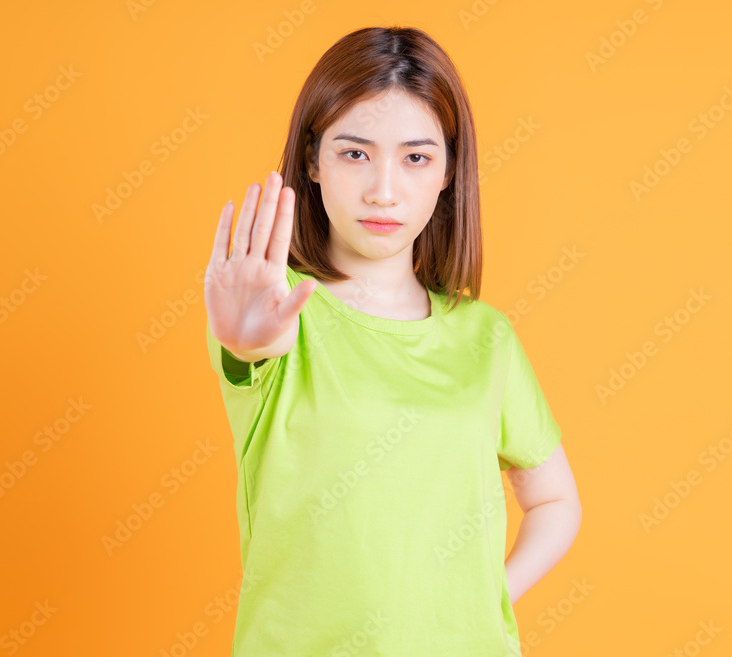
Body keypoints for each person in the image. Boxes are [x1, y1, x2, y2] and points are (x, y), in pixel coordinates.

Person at [203, 25, 581, 656]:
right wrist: (246, 343)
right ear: (313, 163)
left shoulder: (484, 337)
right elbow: (252, 347)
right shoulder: (278, 311)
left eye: (416, 157)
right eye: (355, 153)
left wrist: (480, 604)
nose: (384, 189)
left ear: (447, 173)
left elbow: (555, 500)